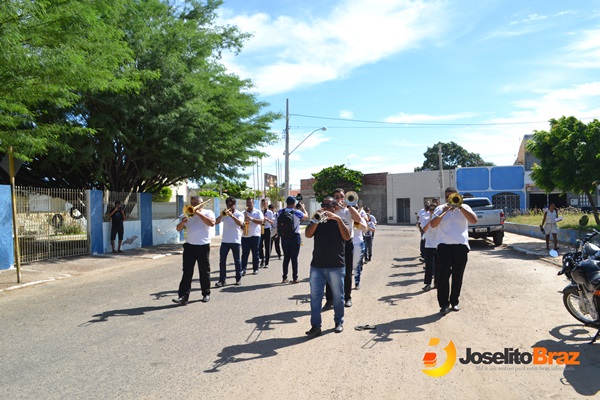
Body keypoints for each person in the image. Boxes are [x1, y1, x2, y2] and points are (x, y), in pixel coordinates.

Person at [304, 196, 351, 336]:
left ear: (335, 208)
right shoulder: (317, 220)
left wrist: (338, 219)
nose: (325, 208)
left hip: (336, 265)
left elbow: (347, 237)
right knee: (315, 297)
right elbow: (308, 234)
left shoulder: (341, 221)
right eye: (323, 205)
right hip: (317, 265)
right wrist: (315, 220)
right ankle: (315, 326)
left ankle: (339, 322)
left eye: (328, 205)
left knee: (338, 297)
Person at [430, 187, 478, 314]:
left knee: (458, 276)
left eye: (452, 196)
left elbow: (474, 220)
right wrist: (444, 211)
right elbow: (433, 224)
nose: (449, 199)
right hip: (444, 246)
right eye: (447, 197)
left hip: (460, 246)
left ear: (457, 196)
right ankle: (444, 305)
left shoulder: (465, 207)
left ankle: (454, 302)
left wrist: (460, 207)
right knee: (443, 276)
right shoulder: (440, 208)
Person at [324, 188, 365, 309]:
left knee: (347, 272)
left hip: (347, 243)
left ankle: (347, 297)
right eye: (336, 197)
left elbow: (358, 219)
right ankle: (329, 300)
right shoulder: (330, 211)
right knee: (330, 272)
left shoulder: (348, 211)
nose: (339, 199)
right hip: (332, 244)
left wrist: (348, 206)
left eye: (341, 196)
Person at [172, 196, 216, 305]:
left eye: (196, 203)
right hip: (189, 246)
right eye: (192, 203)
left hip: (203, 246)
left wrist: (199, 214)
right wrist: (183, 222)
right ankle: (183, 297)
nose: (193, 205)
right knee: (187, 272)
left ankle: (206, 293)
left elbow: (212, 223)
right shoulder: (188, 213)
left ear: (201, 203)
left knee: (204, 271)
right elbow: (178, 229)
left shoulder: (208, 212)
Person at [215, 197, 244, 287]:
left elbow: (240, 223)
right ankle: (222, 280)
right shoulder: (225, 215)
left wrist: (232, 215)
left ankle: (238, 278)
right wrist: (222, 215)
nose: (229, 207)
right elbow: (216, 222)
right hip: (225, 241)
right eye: (228, 205)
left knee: (237, 261)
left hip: (235, 240)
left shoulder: (239, 214)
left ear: (234, 205)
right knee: (222, 261)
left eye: (231, 205)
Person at [277, 196, 308, 283]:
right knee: (294, 258)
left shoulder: (281, 211)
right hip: (295, 236)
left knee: (286, 258)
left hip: (284, 237)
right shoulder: (297, 212)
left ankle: (284, 277)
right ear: (294, 203)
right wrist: (303, 208)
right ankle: (295, 278)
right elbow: (306, 217)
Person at [241, 198, 264, 276]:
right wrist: (244, 222)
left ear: (253, 203)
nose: (249, 204)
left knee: (255, 253)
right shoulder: (243, 213)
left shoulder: (258, 212)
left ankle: (255, 269)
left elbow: (261, 221)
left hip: (255, 235)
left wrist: (250, 218)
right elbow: (240, 224)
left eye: (250, 203)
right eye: (247, 203)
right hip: (245, 235)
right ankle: (243, 269)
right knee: (245, 254)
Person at [421, 203, 439, 291]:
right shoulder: (425, 218)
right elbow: (424, 229)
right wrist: (430, 220)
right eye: (430, 209)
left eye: (433, 209)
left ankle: (437, 283)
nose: (432, 211)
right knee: (429, 266)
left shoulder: (440, 219)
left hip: (438, 244)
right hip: (429, 245)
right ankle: (428, 283)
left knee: (438, 266)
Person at [352, 206, 368, 290]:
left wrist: (354, 223)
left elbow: (365, 229)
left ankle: (357, 282)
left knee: (356, 265)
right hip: (347, 243)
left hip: (357, 243)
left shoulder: (360, 219)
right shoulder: (345, 218)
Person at [260, 200, 276, 268]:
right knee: (260, 246)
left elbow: (272, 222)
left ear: (267, 204)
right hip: (261, 229)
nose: (263, 205)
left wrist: (267, 219)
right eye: (262, 204)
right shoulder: (259, 212)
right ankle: (262, 259)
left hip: (267, 229)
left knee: (267, 246)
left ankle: (267, 262)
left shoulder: (269, 212)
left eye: (265, 204)